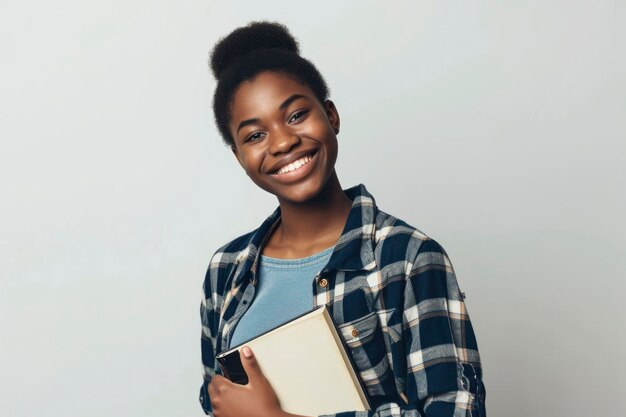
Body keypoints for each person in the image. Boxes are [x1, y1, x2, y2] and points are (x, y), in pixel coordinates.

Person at [200, 21, 486, 417]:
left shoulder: (408, 258)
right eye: (254, 136)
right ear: (238, 157)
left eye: (296, 115)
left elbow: (456, 410)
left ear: (331, 116)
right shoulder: (225, 271)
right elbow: (217, 401)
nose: (282, 142)